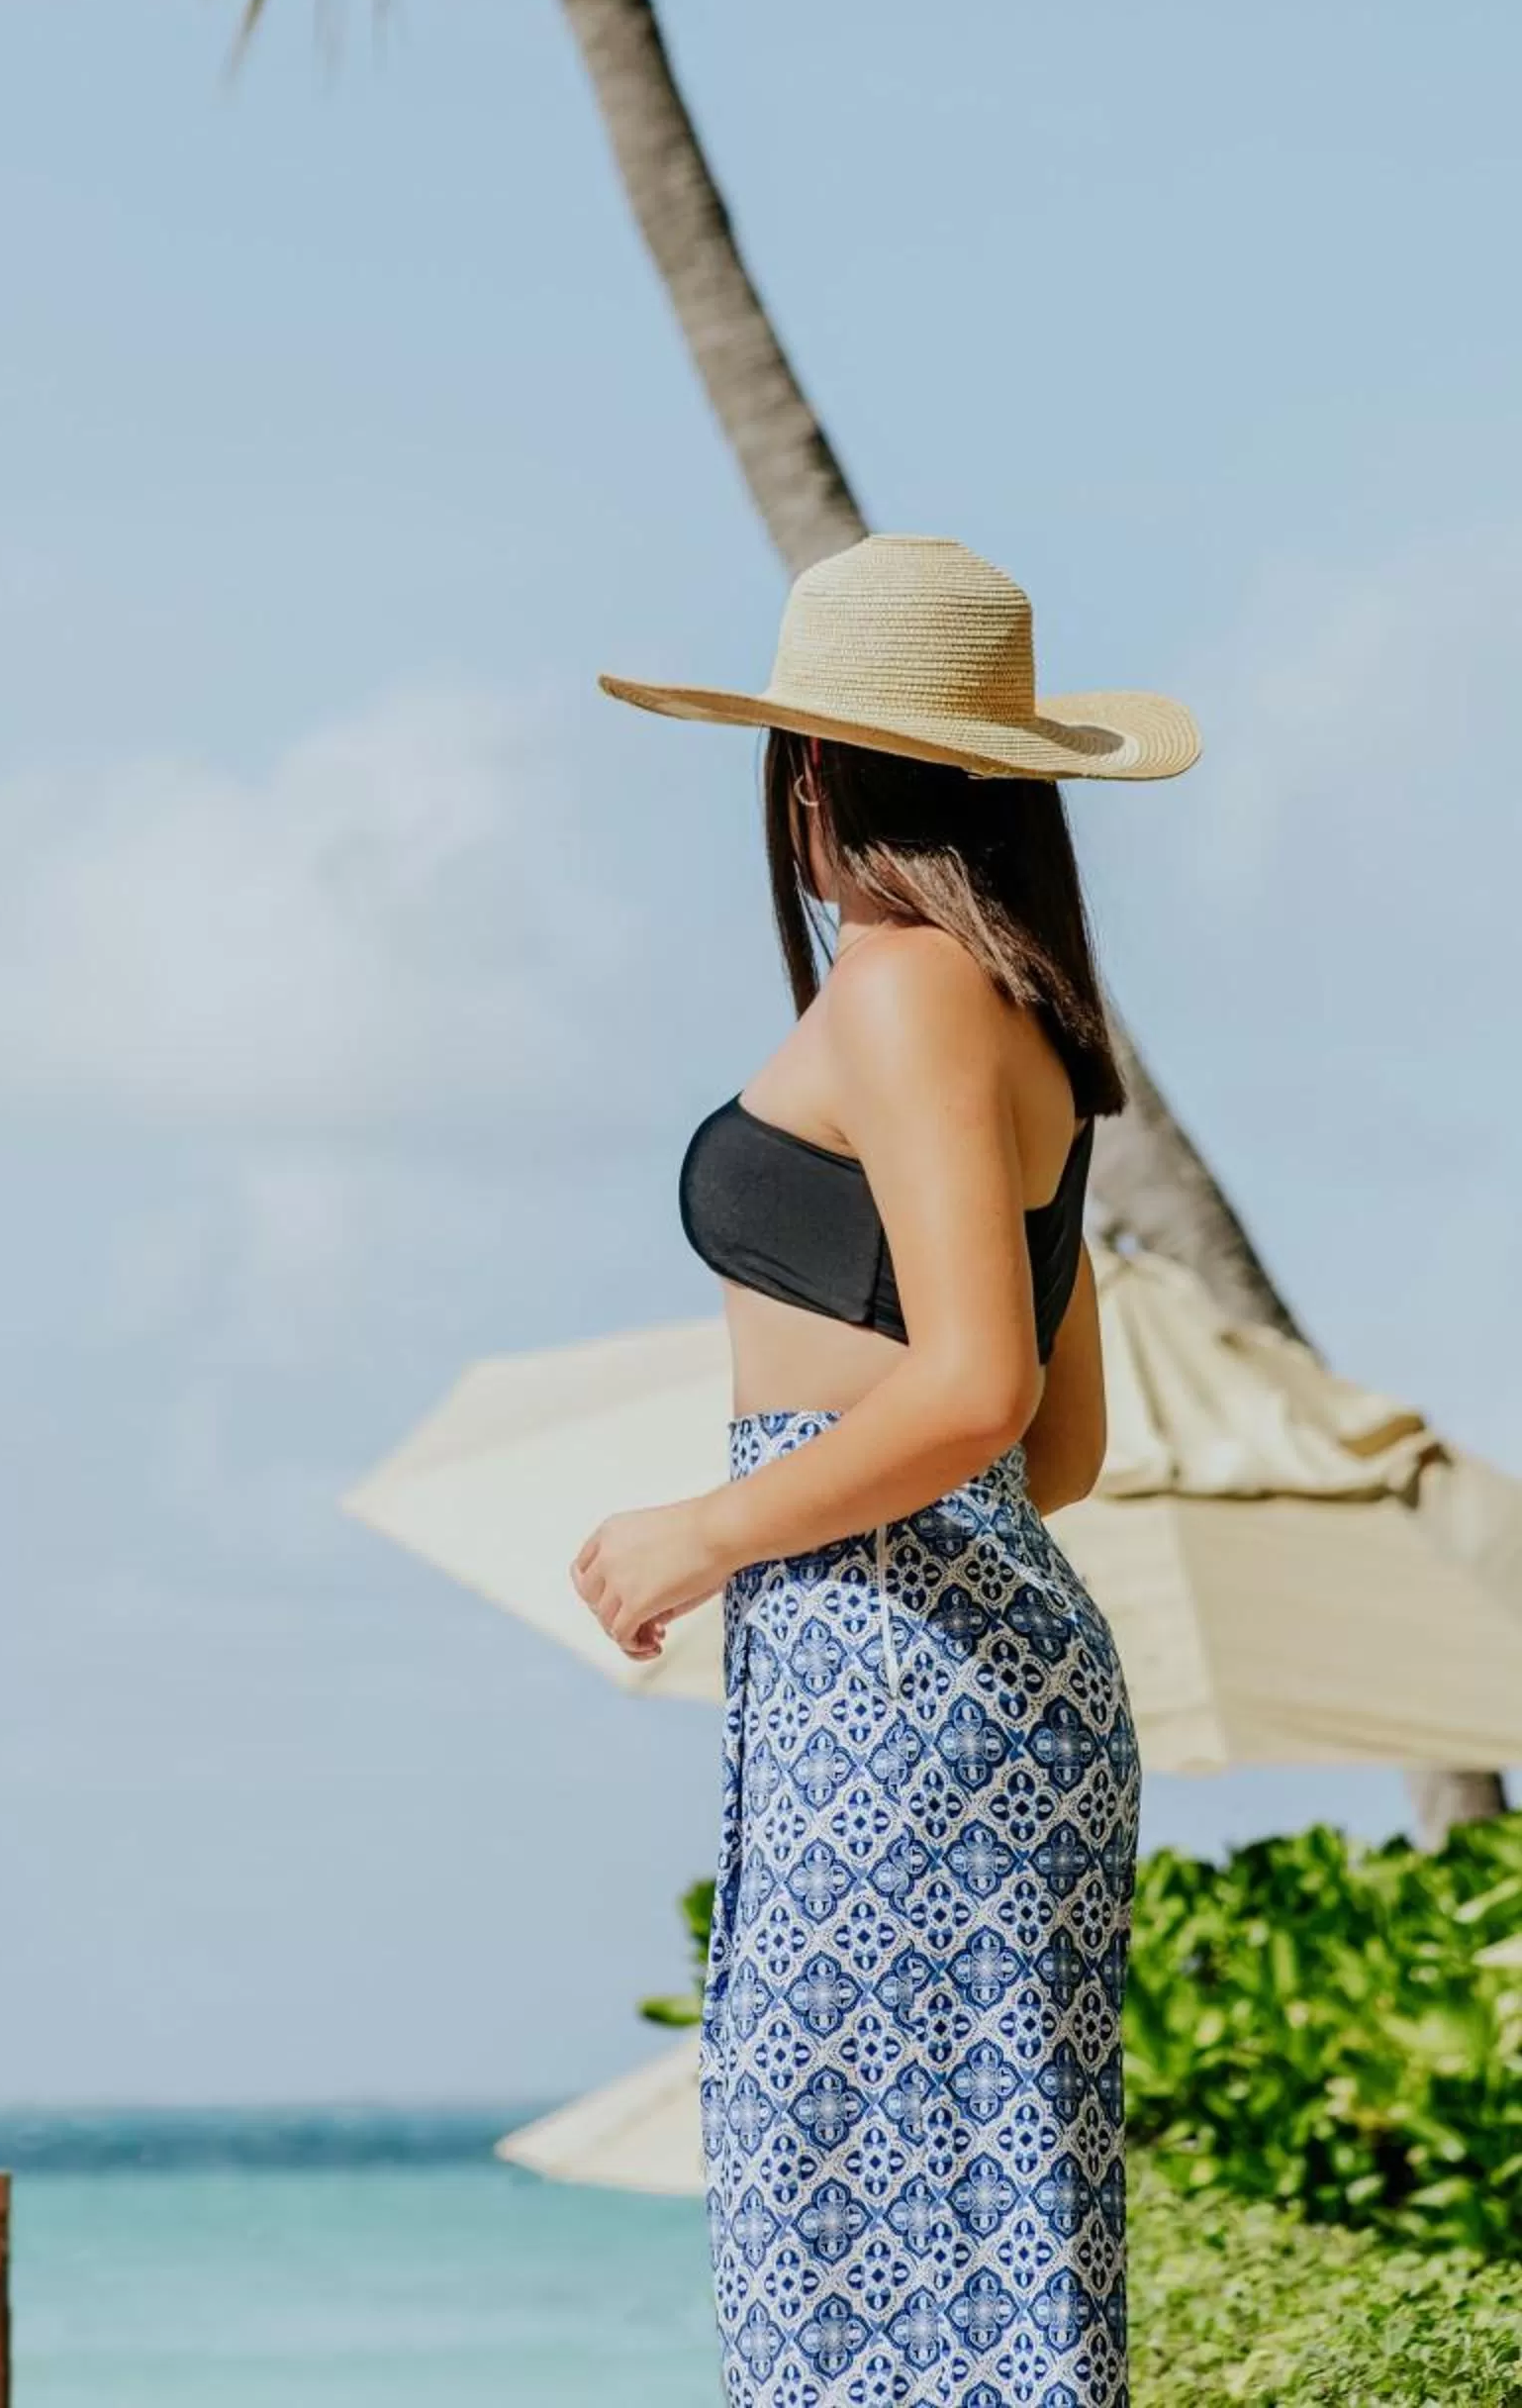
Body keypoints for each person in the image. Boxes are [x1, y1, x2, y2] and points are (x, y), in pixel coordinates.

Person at [573, 536, 1199, 2408]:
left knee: (850, 2258)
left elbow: (981, 1397)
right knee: (943, 2245)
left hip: (901, 1695)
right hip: (942, 1683)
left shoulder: (909, 990)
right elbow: (1058, 1444)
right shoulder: (1028, 1024)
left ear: (815, 772)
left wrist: (701, 1529)